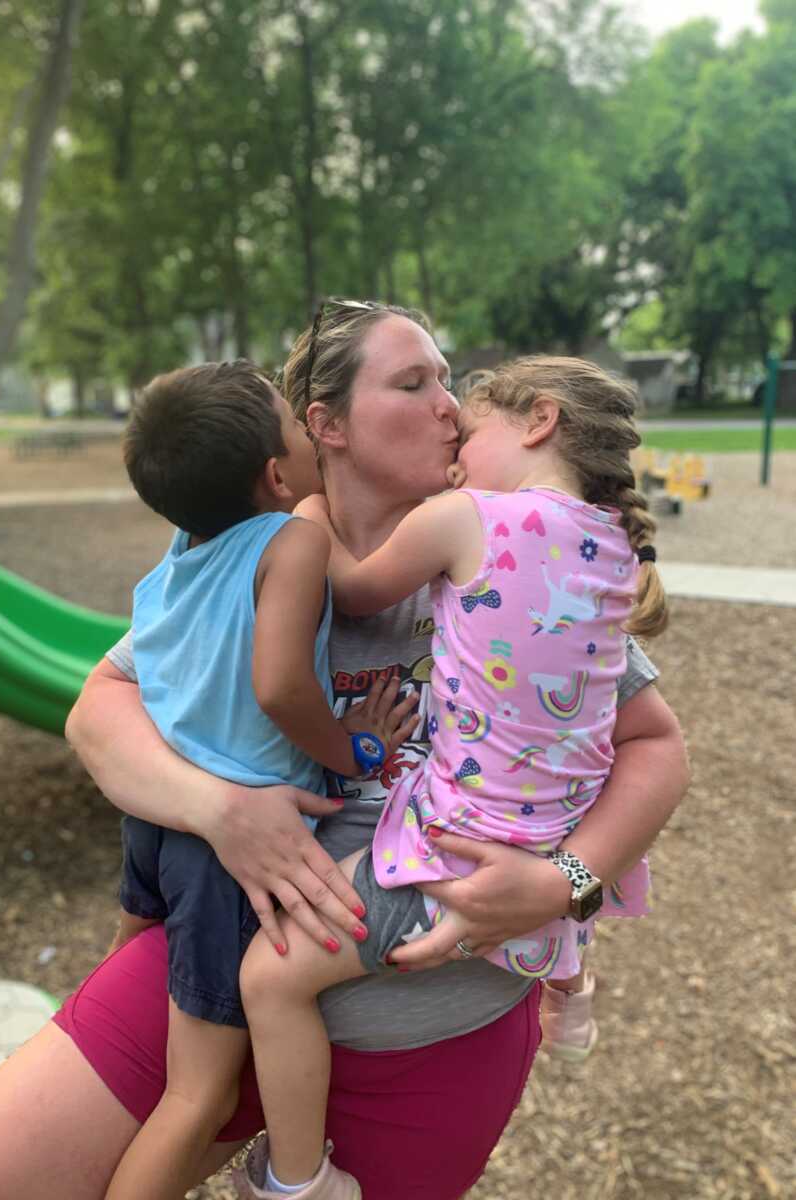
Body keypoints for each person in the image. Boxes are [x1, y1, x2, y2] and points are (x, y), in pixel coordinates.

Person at [0, 302, 688, 1200]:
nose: (454, 409)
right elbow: (97, 711)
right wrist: (222, 811)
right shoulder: (248, 549)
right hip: (215, 974)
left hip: (438, 1019)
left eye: (450, 383)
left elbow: (656, 746)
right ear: (326, 426)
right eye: (414, 382)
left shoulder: (519, 555)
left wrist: (565, 884)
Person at [233, 354, 669, 1197]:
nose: (457, 452)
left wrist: (310, 512)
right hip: (561, 836)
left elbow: (356, 589)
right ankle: (570, 980)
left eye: (470, 432)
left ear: (537, 421)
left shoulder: (466, 516)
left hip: (459, 857)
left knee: (268, 975)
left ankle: (299, 1183)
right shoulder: (617, 549)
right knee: (547, 786)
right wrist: (570, 883)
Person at [103, 361, 417, 1200]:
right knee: (195, 1093)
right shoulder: (295, 541)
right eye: (295, 423)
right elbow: (281, 687)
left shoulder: (185, 544)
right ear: (279, 474)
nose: (312, 431)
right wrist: (354, 750)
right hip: (228, 853)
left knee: (130, 999)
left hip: (156, 816)